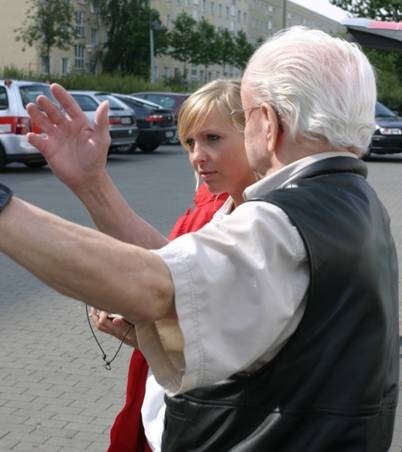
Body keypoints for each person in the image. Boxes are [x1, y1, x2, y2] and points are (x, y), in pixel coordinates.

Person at [0, 26, 398, 451]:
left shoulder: (283, 221)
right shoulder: (354, 203)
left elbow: (155, 286)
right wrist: (93, 185)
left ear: (267, 122)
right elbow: (204, 286)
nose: (197, 154)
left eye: (238, 121)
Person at [89, 79, 254, 451]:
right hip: (170, 408)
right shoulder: (211, 204)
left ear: (256, 134)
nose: (197, 155)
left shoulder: (259, 224)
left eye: (213, 138)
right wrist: (141, 335)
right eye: (190, 143)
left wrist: (91, 184)